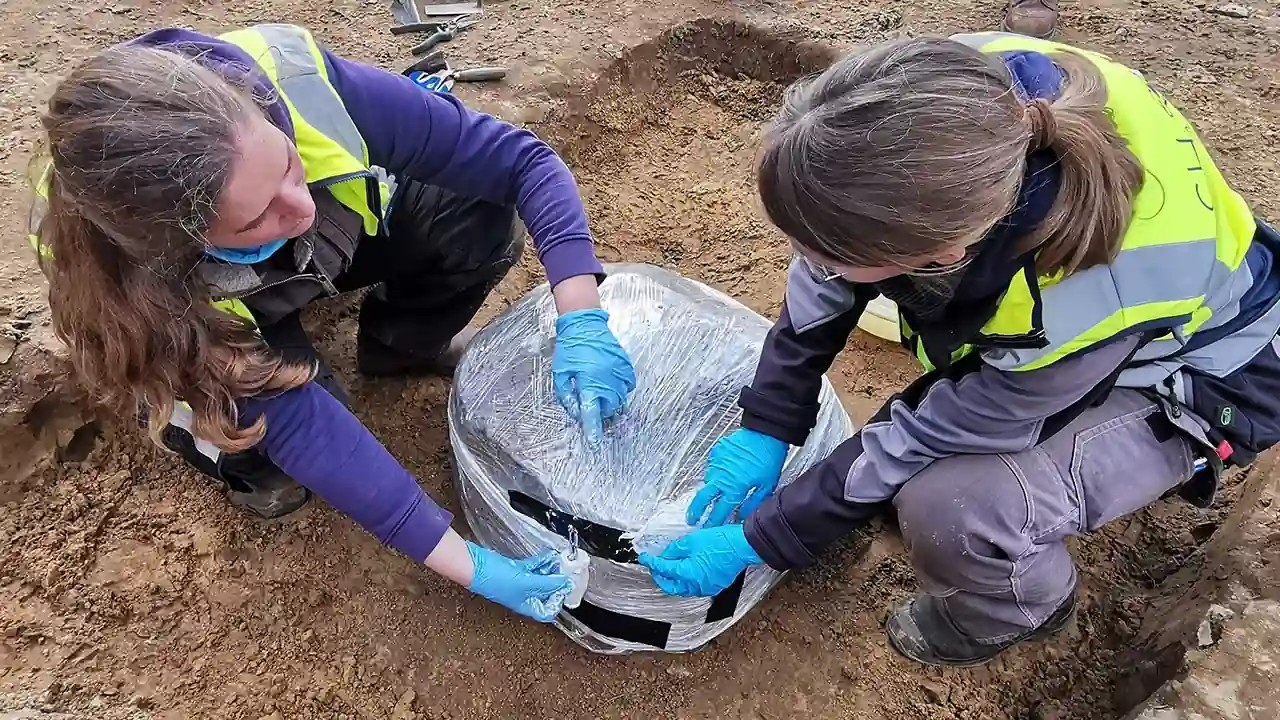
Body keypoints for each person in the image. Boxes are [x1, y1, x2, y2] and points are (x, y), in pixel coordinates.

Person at [639, 31, 1280, 665]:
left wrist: (764, 538)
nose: (807, 265)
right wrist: (770, 420)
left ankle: (1018, 610)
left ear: (943, 255)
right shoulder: (931, 98)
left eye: (834, 256)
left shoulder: (1091, 297)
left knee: (954, 506)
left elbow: (933, 431)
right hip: (1065, 323)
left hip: (1209, 370)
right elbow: (831, 262)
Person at [30, 23, 637, 623]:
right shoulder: (126, 281)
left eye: (290, 165)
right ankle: (220, 452)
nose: (300, 209)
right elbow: (309, 430)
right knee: (265, 430)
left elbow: (520, 161)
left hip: (287, 263)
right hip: (209, 315)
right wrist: (469, 563)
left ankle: (399, 343)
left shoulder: (294, 83)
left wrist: (580, 314)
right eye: (257, 215)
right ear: (179, 244)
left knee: (471, 211)